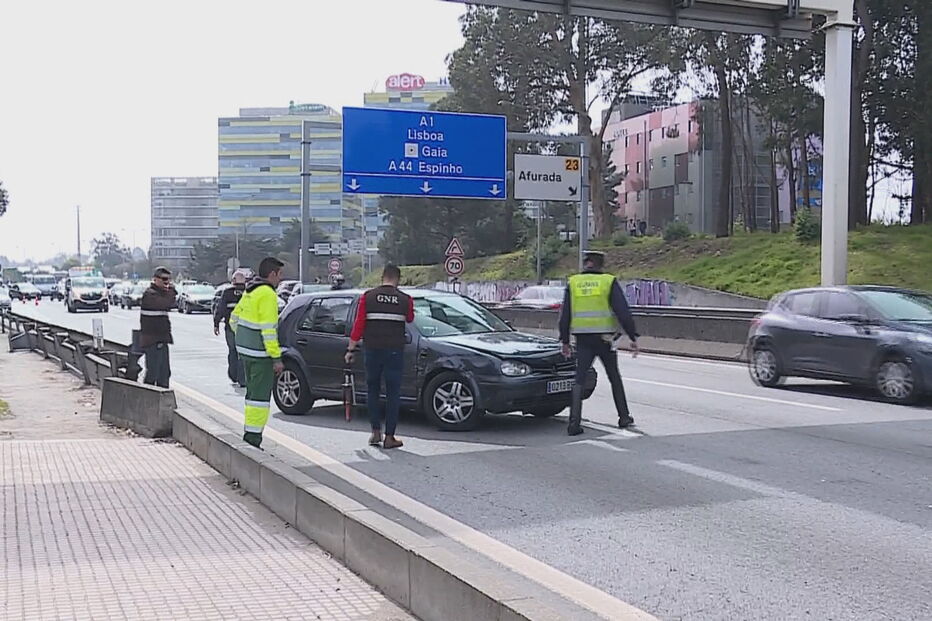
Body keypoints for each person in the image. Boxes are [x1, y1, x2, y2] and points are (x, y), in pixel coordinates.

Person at [558, 251, 639, 436]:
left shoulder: (573, 282)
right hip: (605, 339)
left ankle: (574, 423)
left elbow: (564, 316)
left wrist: (564, 340)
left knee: (579, 379)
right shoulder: (608, 281)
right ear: (601, 264)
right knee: (614, 377)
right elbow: (623, 312)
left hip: (583, 340)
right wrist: (633, 337)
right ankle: (624, 417)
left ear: (585, 263)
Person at [345, 264, 414, 449]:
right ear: (397, 279)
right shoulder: (405, 299)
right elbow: (410, 318)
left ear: (382, 277)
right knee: (393, 393)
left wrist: (351, 349)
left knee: (372, 390)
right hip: (394, 351)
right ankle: (389, 437)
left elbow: (359, 324)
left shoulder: (368, 297)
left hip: (372, 349)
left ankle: (375, 432)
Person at [230, 257, 285, 449]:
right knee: (260, 400)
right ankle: (253, 439)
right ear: (272, 274)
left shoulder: (250, 291)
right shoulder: (267, 294)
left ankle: (250, 435)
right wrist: (276, 357)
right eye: (280, 275)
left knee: (252, 396)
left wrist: (244, 340)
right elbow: (269, 330)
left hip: (245, 352)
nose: (280, 280)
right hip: (261, 355)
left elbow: (233, 319)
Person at [139, 266, 177, 388]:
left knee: (164, 373)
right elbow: (165, 304)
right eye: (164, 279)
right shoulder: (150, 294)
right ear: (155, 279)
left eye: (168, 280)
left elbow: (170, 304)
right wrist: (171, 291)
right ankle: (148, 397)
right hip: (152, 339)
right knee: (153, 372)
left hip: (162, 338)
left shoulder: (162, 293)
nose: (167, 282)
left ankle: (162, 397)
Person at [214, 271, 247, 387]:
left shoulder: (227, 293)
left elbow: (221, 308)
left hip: (230, 327)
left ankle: (233, 375)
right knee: (243, 353)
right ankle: (243, 379)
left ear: (233, 280)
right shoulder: (248, 292)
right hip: (245, 329)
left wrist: (216, 323)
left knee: (232, 351)